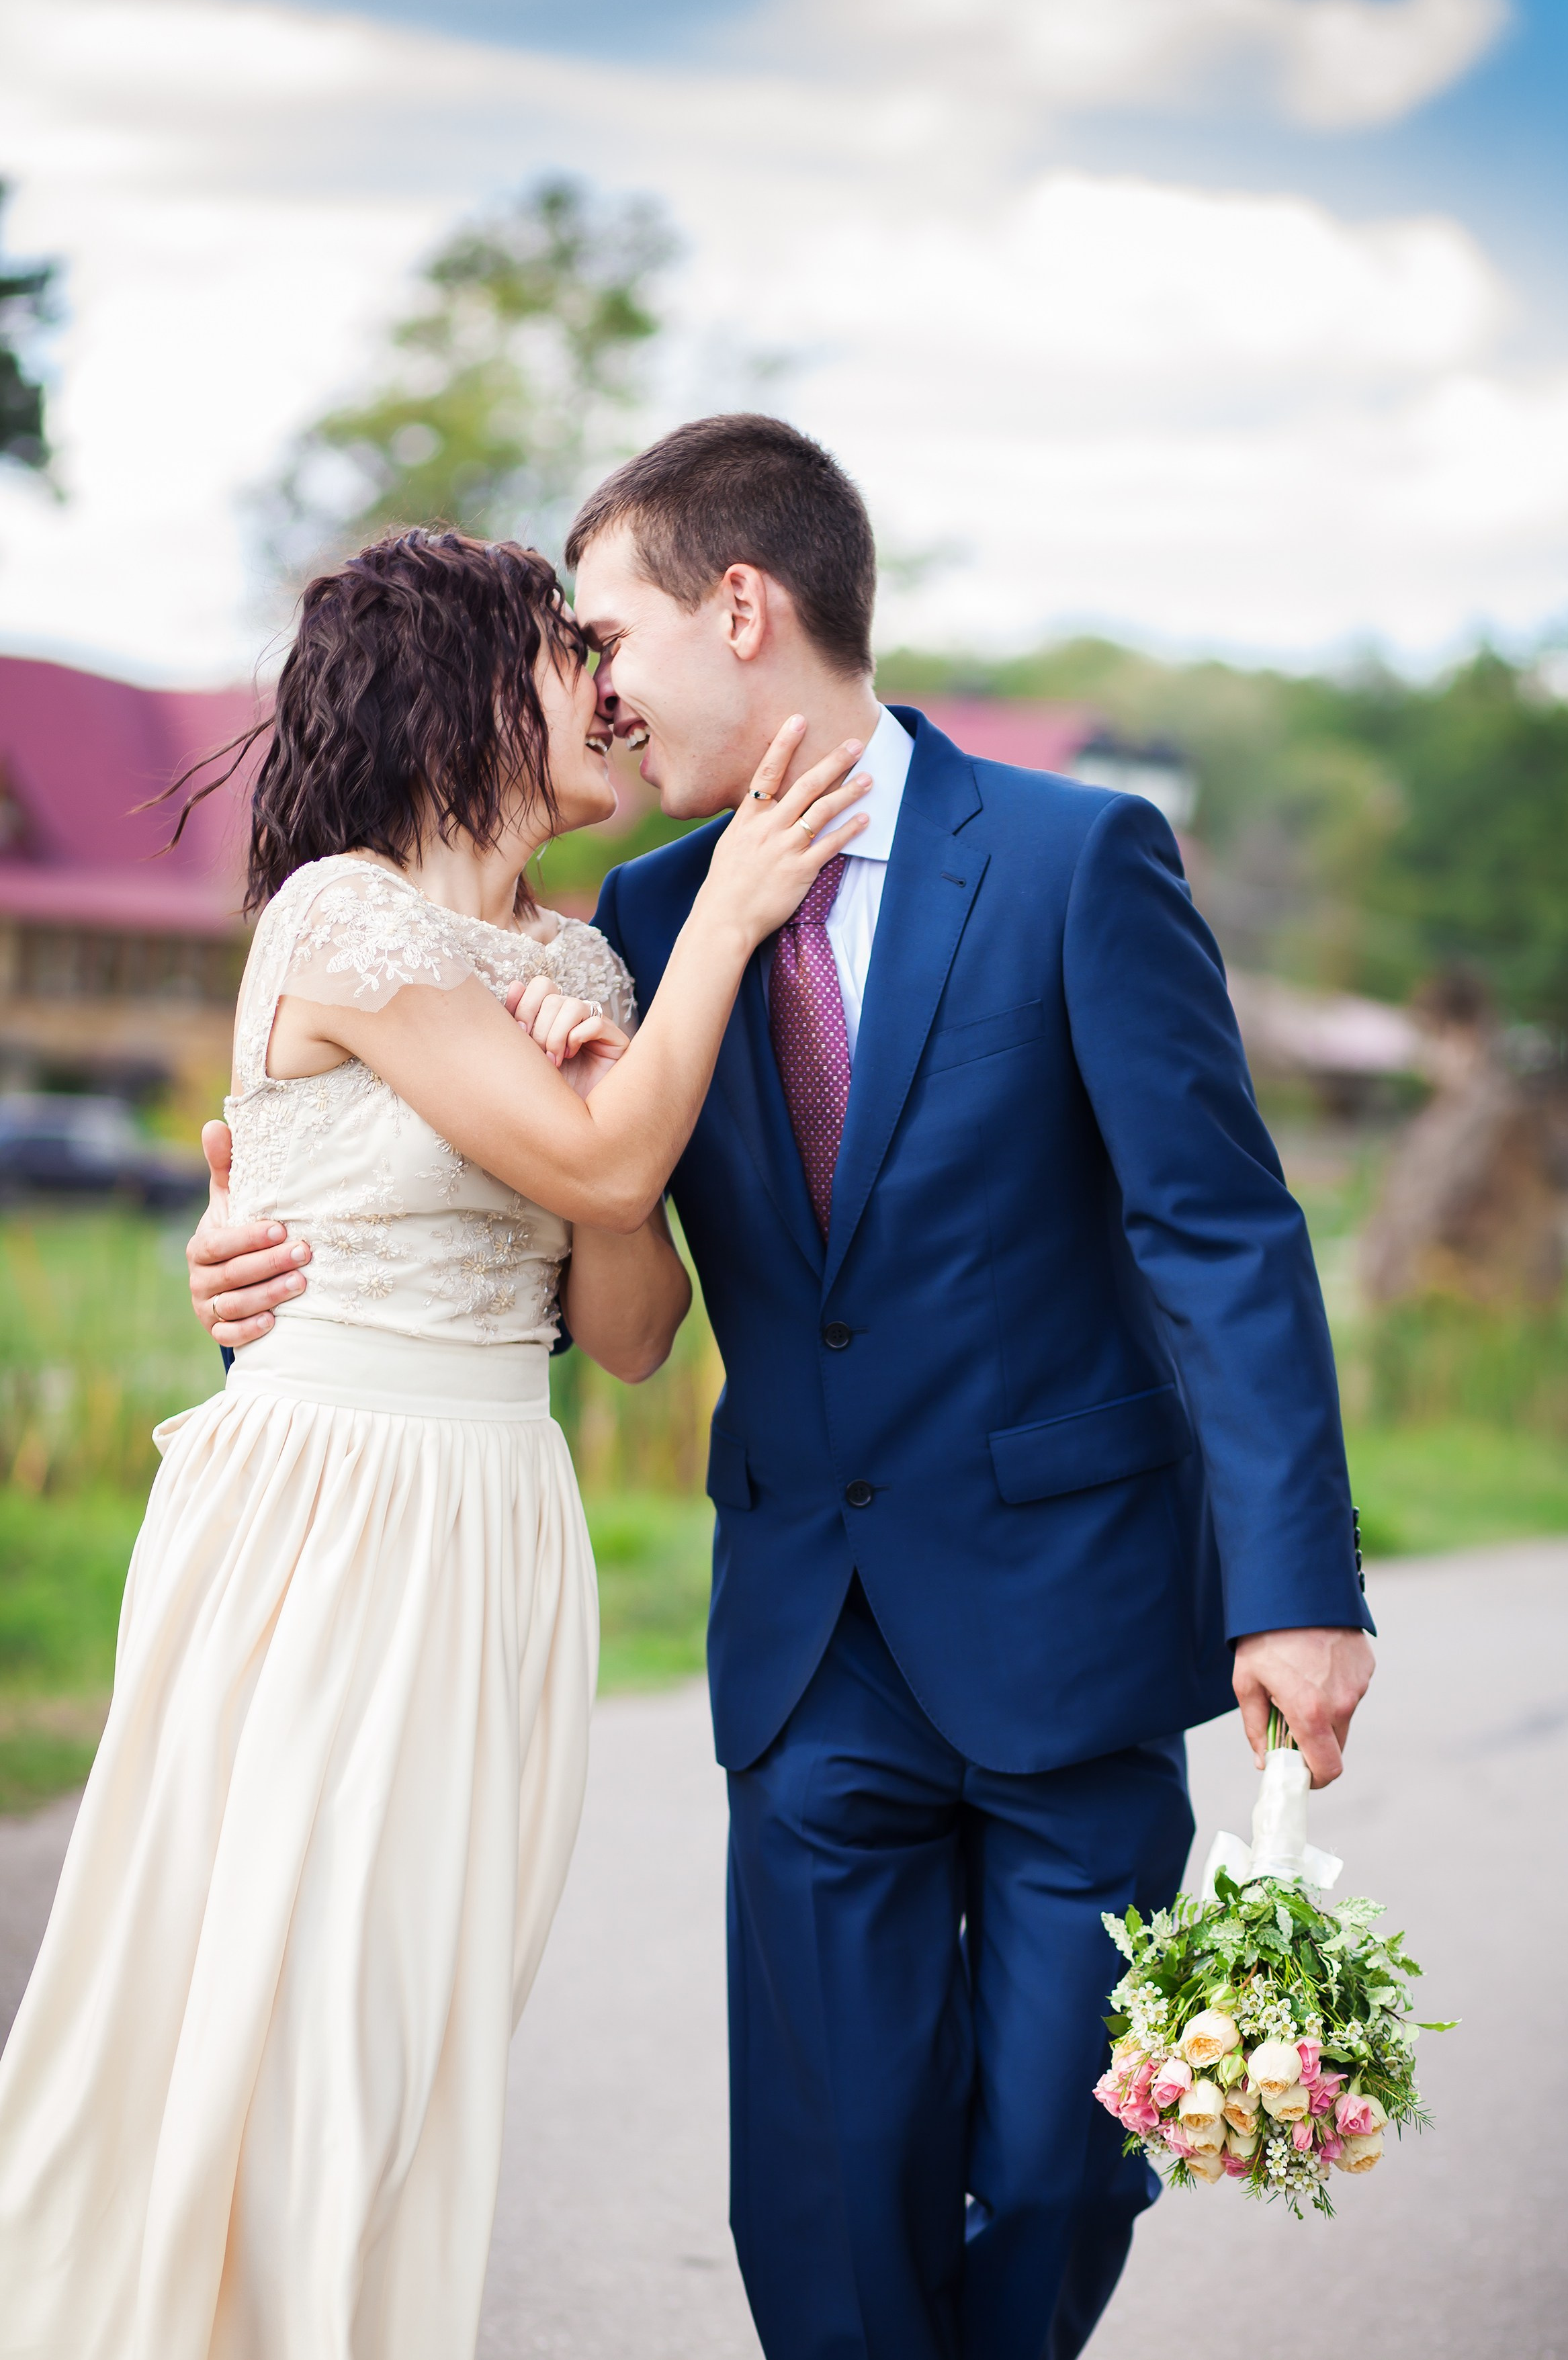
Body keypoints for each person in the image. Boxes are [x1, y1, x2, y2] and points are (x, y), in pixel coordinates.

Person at [187, 419, 1376, 2360]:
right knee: (830, 2182)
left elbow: (1220, 1234)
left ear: (742, 607)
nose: (601, 691)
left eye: (612, 635)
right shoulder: (628, 928)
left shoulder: (1081, 861)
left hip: (1074, 1627)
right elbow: (516, 1216)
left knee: (1071, 2153)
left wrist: (1301, 1585)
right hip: (809, 1643)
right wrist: (248, 1268)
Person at [0, 527, 869, 2360]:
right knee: (268, 2010)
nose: (612, 694)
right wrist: (714, 930)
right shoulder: (344, 915)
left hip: (495, 1518)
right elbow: (608, 1159)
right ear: (473, 687)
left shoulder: (583, 968)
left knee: (408, 2028)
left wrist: (592, 1073)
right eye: (574, 655)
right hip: (322, 1509)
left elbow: (631, 1328)